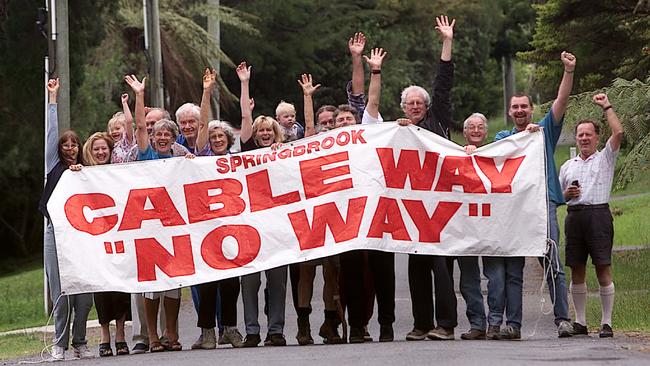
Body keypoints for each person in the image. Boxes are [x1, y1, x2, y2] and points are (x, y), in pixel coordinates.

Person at [491, 50, 577, 340]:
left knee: (552, 261)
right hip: (514, 210)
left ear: (531, 109)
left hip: (544, 204)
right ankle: (513, 325)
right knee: (514, 267)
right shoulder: (503, 139)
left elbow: (561, 103)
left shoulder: (544, 131)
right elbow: (489, 161)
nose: (519, 111)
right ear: (509, 112)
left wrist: (568, 71)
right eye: (514, 107)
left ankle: (563, 319)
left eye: (523, 107)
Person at [394, 15, 459, 342]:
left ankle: (446, 324)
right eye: (410, 103)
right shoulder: (397, 131)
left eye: (420, 102)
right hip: (412, 207)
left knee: (441, 265)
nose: (416, 106)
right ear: (404, 107)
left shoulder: (439, 119)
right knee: (416, 267)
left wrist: (446, 41)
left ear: (428, 107)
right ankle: (421, 324)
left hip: (441, 203)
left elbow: (443, 83)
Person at [125, 74, 189, 352]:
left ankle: (171, 334)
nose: (162, 138)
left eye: (167, 135)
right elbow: (139, 125)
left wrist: (192, 165)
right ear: (151, 137)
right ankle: (152, 337)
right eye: (158, 134)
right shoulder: (145, 154)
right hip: (148, 229)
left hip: (174, 229)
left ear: (174, 139)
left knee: (173, 285)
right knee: (151, 286)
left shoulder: (181, 157)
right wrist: (139, 94)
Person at [559, 93, 624, 338]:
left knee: (602, 267)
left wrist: (607, 105)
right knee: (576, 268)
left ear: (597, 137)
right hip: (574, 216)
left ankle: (607, 323)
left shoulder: (606, 157)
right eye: (580, 134)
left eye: (589, 134)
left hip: (598, 215)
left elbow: (618, 133)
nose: (584, 138)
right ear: (575, 138)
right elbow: (559, 197)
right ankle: (581, 322)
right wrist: (567, 193)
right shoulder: (568, 166)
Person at [233, 62, 288, 348]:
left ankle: (276, 330)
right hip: (250, 227)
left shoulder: (289, 154)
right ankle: (252, 330)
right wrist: (244, 82)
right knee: (250, 282)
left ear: (276, 133)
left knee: (278, 282)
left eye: (269, 130)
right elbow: (244, 116)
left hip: (279, 228)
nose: (265, 134)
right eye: (261, 130)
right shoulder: (247, 152)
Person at [39, 78, 94, 360]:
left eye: (74, 144)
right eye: (66, 144)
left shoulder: (87, 171)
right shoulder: (54, 167)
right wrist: (52, 99)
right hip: (55, 235)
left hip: (82, 237)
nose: (70, 147)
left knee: (85, 297)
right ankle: (59, 344)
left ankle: (79, 341)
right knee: (61, 295)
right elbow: (51, 134)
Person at [190, 68, 244, 349]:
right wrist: (207, 91)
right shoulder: (202, 157)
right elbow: (202, 126)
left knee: (231, 281)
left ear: (228, 139)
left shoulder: (238, 161)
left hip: (233, 226)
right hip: (206, 227)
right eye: (213, 138)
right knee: (208, 280)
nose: (217, 140)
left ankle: (230, 329)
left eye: (221, 137)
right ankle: (207, 331)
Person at [72, 133, 132, 357]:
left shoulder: (120, 172)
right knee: (102, 286)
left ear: (110, 150)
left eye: (104, 149)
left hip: (120, 235)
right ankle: (105, 335)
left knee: (120, 285)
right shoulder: (83, 174)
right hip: (96, 239)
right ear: (91, 151)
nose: (100, 153)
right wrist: (76, 172)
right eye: (96, 149)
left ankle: (121, 335)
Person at [455, 113, 491, 340]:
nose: (476, 131)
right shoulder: (454, 155)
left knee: (495, 276)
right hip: (464, 226)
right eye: (472, 128)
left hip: (491, 225)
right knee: (469, 279)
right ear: (464, 132)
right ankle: (477, 324)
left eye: (480, 127)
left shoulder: (499, 153)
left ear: (486, 132)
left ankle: (496, 322)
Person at [107, 93, 135, 164]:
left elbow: (129, 121)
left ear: (125, 129)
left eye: (117, 128)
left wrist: (124, 103)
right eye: (111, 130)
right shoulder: (112, 146)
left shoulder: (127, 141)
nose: (114, 132)